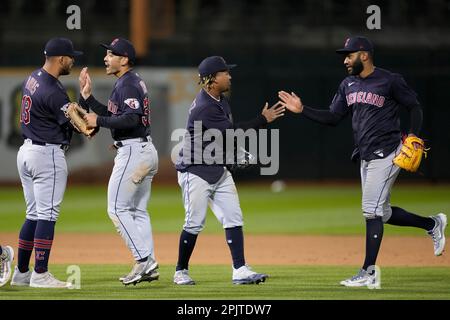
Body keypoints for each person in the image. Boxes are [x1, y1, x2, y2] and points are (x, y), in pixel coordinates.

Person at [278, 36, 447, 288]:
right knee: (383, 211)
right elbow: (333, 117)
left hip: (389, 152)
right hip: (365, 154)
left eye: (349, 55)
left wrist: (413, 135)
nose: (345, 60)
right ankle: (433, 224)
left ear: (364, 55)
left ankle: (369, 271)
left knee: (371, 210)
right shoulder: (348, 84)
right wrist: (303, 110)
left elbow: (415, 107)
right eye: (344, 56)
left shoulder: (389, 80)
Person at [174, 56, 285, 285]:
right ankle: (180, 271)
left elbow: (222, 137)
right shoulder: (205, 107)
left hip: (217, 169)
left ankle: (240, 269)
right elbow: (233, 131)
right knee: (194, 223)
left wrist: (234, 153)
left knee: (233, 217)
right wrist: (262, 120)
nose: (230, 76)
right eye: (225, 73)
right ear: (213, 80)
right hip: (195, 171)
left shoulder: (220, 100)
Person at [79, 38, 159, 286]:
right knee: (136, 211)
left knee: (116, 208)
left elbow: (131, 120)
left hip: (134, 153)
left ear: (124, 59)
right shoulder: (128, 82)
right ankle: (150, 263)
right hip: (143, 149)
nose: (106, 58)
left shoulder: (128, 84)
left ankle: (143, 260)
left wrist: (97, 121)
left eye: (111, 54)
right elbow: (117, 115)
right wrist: (89, 98)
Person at [12, 38, 84, 289]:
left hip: (26, 152)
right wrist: (84, 102)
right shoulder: (53, 90)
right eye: (70, 56)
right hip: (46, 155)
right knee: (47, 216)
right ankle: (40, 274)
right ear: (61, 59)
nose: (73, 60)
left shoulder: (33, 77)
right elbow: (83, 126)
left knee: (33, 214)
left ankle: (22, 272)